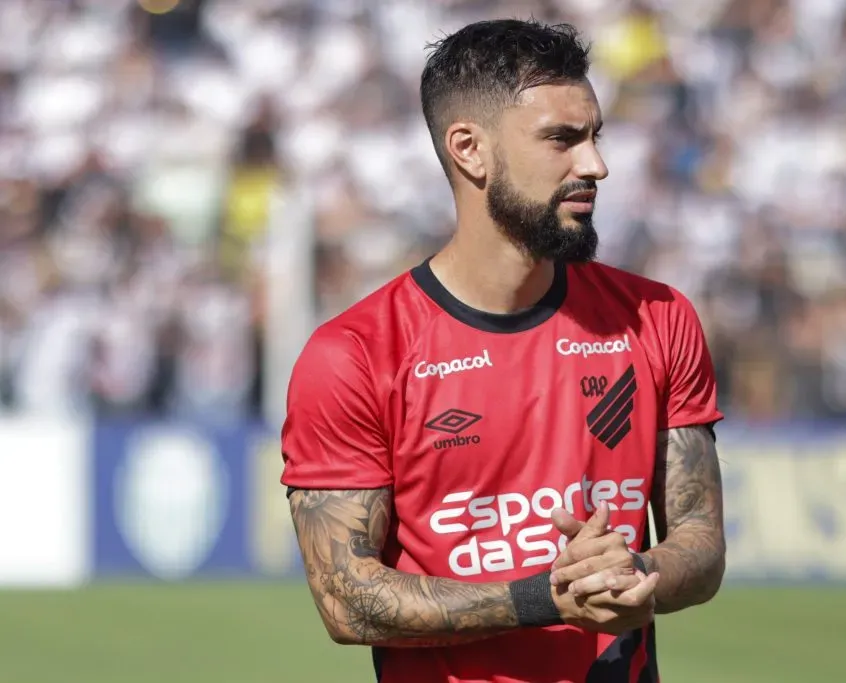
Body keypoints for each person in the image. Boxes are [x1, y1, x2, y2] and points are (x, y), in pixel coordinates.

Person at [281, 18, 726, 683]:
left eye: (595, 135)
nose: (595, 165)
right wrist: (544, 597)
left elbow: (700, 539)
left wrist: (641, 573)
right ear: (470, 150)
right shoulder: (354, 354)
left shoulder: (657, 318)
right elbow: (346, 599)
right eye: (561, 139)